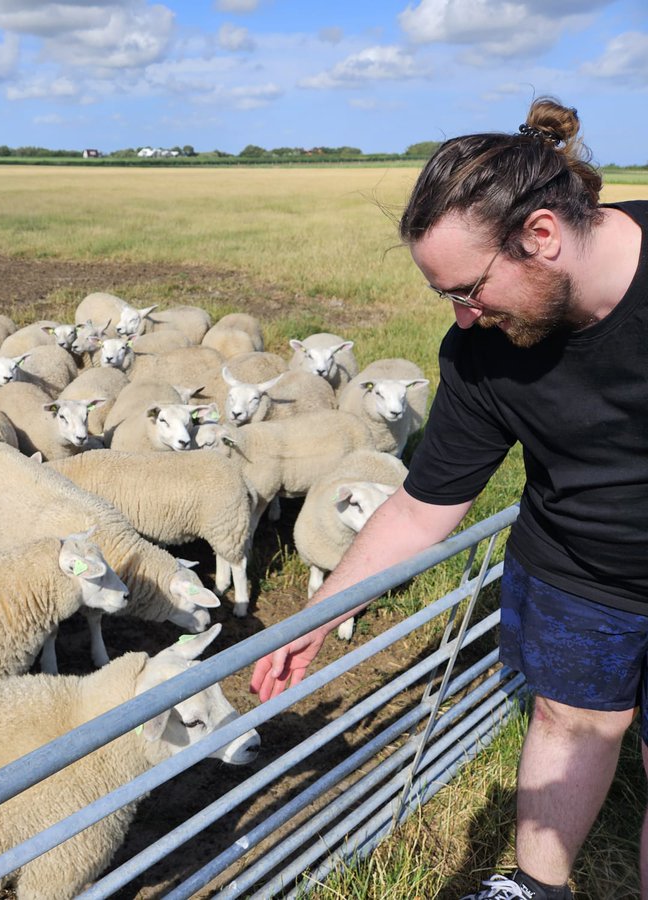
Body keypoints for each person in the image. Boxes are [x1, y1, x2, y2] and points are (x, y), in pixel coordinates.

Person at [250, 96, 648, 900]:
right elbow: (424, 504)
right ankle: (536, 891)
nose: (464, 317)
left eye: (467, 288)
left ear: (541, 235)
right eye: (446, 298)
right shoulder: (479, 352)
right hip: (576, 567)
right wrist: (319, 612)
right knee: (570, 720)